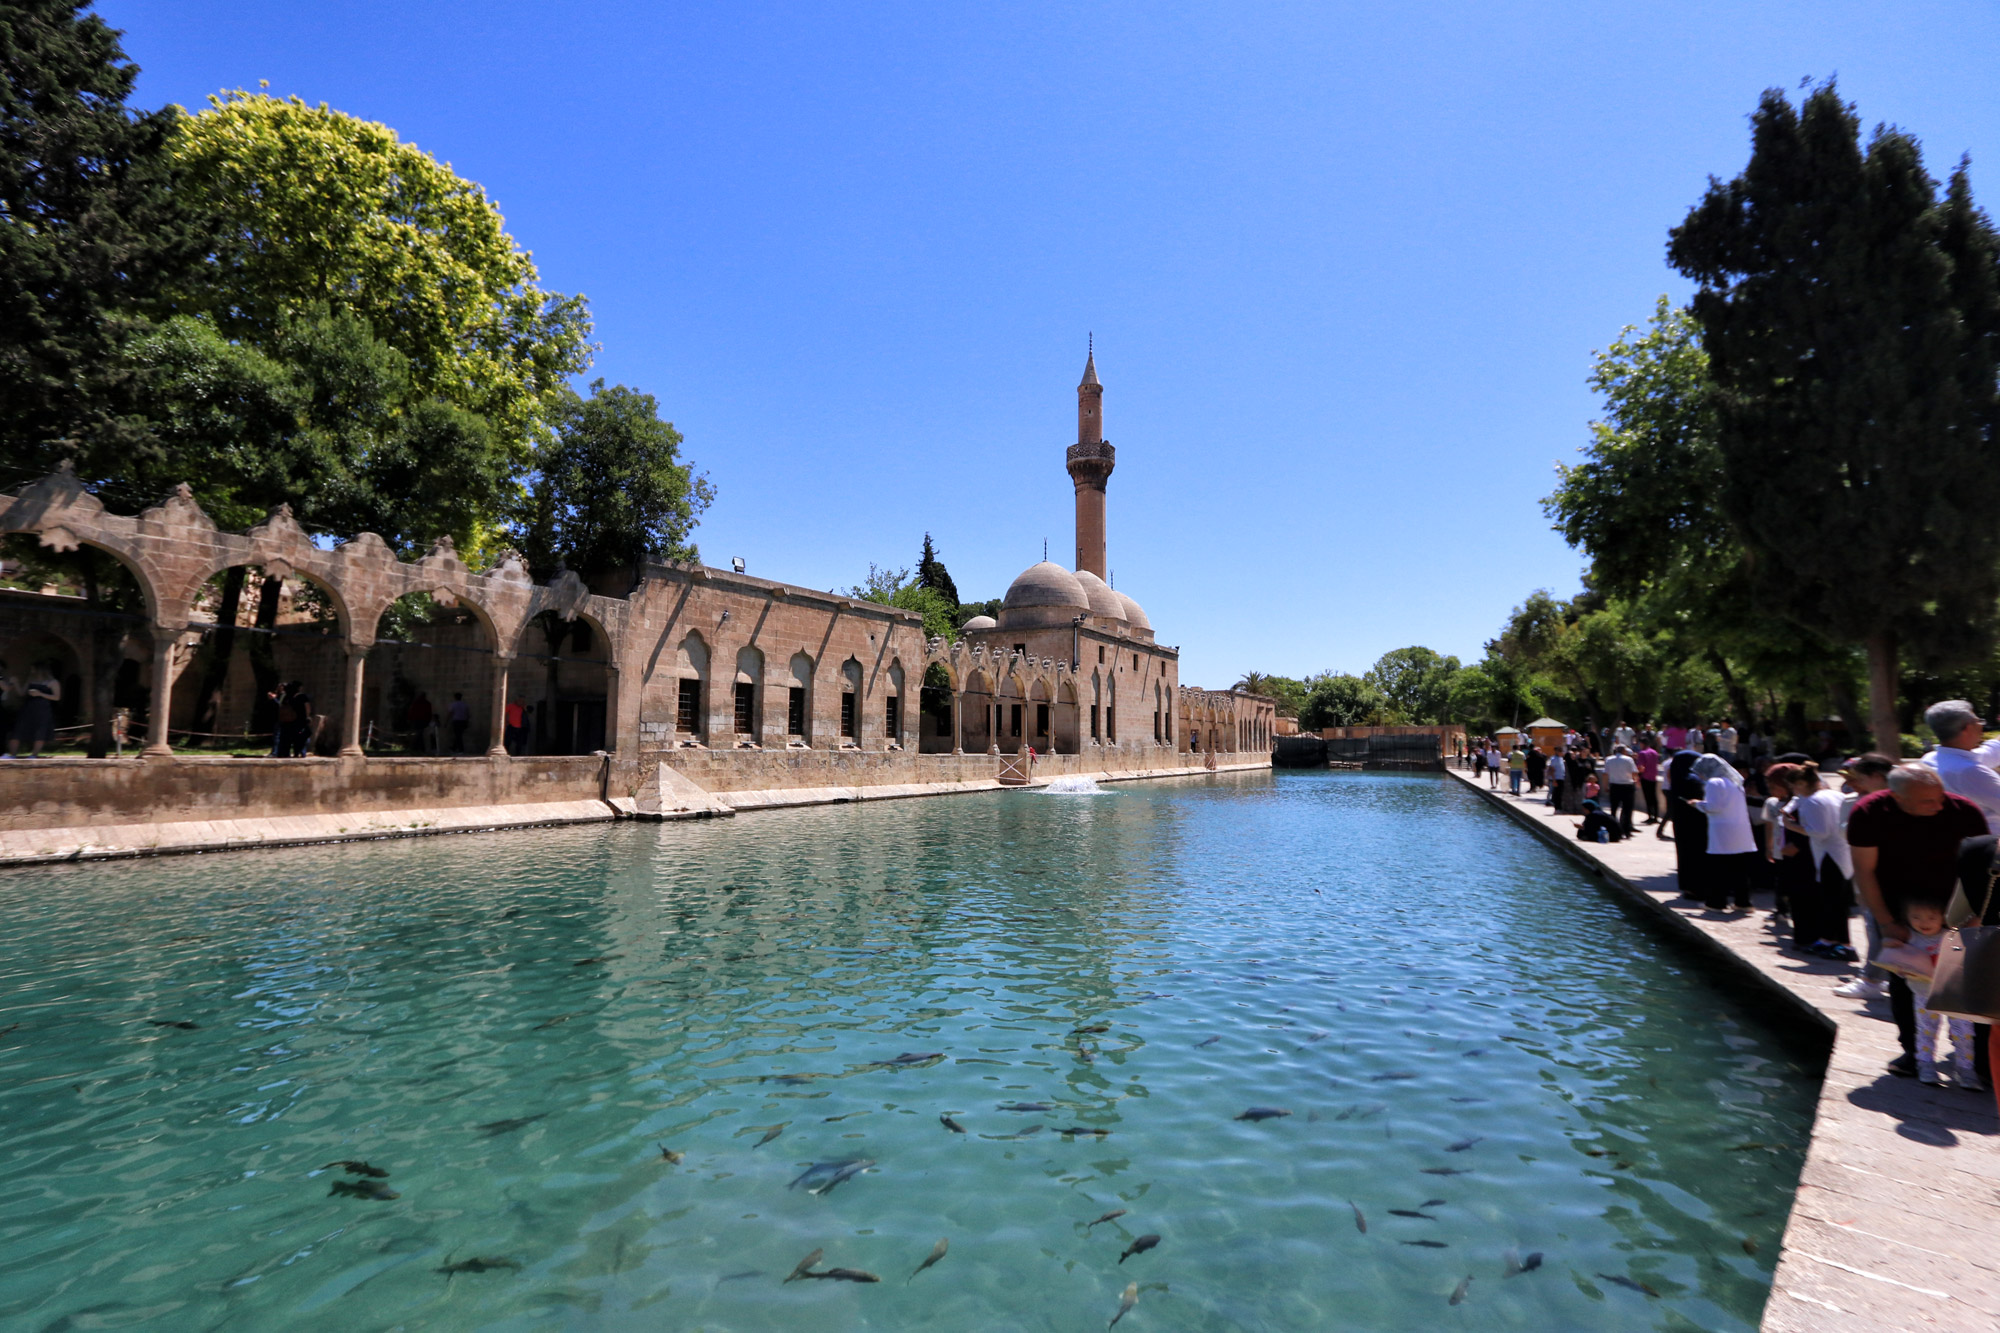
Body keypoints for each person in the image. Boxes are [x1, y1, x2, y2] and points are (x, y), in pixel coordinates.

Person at [1846, 763, 1989, 1078]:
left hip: (1957, 905)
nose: (1939, 805)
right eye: (1928, 801)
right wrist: (1885, 922)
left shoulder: (1964, 812)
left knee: (1965, 983)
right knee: (1906, 980)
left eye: (1940, 796)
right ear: (1898, 798)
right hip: (1899, 907)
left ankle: (1977, 1059)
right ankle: (1914, 1052)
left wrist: (1975, 918)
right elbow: (1865, 870)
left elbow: (1983, 870)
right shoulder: (1869, 812)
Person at [1880, 898, 1980, 1087]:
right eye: (1916, 917)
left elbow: (1974, 923)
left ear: (1943, 917)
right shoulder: (1909, 936)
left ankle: (1966, 1068)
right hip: (1923, 992)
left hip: (1954, 993)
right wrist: (1890, 944)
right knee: (1926, 1030)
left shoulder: (1951, 935)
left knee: (1964, 1032)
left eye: (1931, 917)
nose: (1923, 922)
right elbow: (1889, 944)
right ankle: (1925, 1064)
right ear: (1907, 918)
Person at [1789, 760, 1857, 959]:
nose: (1794, 789)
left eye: (1796, 785)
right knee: (1836, 901)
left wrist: (1790, 825)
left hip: (1830, 855)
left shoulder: (1812, 801)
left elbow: (1819, 832)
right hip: (1843, 853)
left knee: (1832, 902)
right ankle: (1831, 940)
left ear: (1804, 783)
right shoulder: (1833, 794)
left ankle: (1844, 944)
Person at [1690, 754, 1756, 911]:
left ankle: (1716, 902)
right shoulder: (1735, 782)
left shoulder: (1714, 782)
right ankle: (1743, 902)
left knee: (1718, 868)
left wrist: (1697, 804)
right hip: (1740, 831)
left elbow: (1714, 806)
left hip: (1722, 831)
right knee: (1739, 868)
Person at [1924, 699, 2000, 832]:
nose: (1982, 725)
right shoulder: (1969, 772)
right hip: (1989, 845)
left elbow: (1988, 752)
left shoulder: (1930, 760)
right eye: (1979, 721)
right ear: (1967, 727)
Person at [4, 661, 59, 758]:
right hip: (29, 707)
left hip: (43, 709)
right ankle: (12, 754)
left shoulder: (53, 682)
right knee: (18, 729)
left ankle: (34, 754)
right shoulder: (31, 680)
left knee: (40, 731)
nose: (31, 670)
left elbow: (57, 697)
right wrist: (16, 683)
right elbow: (21, 693)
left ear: (40, 669)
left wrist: (40, 694)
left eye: (33, 668)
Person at [1603, 744, 1638, 835]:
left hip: (1614, 785)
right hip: (1627, 786)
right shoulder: (1629, 759)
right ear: (1624, 751)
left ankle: (1613, 829)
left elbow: (1605, 774)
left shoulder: (1609, 759)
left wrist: (1605, 786)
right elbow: (1634, 772)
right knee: (1627, 809)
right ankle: (1626, 830)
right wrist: (1635, 780)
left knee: (1614, 809)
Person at [1636, 739, 1662, 826]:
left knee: (1648, 797)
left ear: (1642, 744)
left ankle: (1650, 816)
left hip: (1645, 777)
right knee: (1654, 797)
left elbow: (1641, 767)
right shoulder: (1654, 752)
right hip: (1653, 777)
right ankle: (1655, 816)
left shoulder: (1642, 753)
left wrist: (1637, 775)